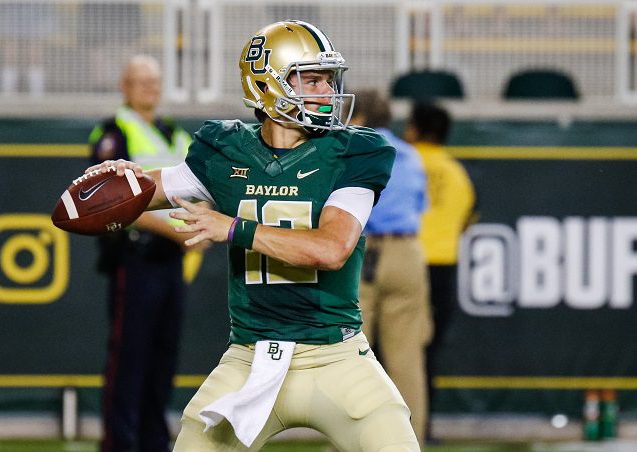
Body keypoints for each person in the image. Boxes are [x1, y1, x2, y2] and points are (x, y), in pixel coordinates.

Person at [86, 20, 420, 452]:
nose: (327, 92)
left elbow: (331, 248)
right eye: (312, 79)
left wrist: (232, 227)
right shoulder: (225, 148)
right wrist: (119, 185)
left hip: (335, 355)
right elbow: (158, 187)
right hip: (250, 356)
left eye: (329, 79)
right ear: (268, 85)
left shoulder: (353, 152)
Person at [88, 54, 194, 452]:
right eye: (142, 81)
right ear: (125, 86)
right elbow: (109, 204)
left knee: (162, 363)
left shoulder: (174, 133)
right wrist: (173, 230)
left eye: (155, 81)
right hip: (136, 260)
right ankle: (118, 445)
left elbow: (199, 190)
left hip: (172, 263)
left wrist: (199, 226)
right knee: (128, 362)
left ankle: (154, 445)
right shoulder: (113, 133)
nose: (151, 88)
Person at [349, 89, 432, 443]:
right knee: (407, 361)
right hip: (407, 253)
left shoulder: (350, 149)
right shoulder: (411, 155)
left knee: (348, 356)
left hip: (360, 251)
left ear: (361, 117)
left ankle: (347, 444)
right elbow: (420, 205)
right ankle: (408, 443)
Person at [403, 101, 475, 442]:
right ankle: (423, 426)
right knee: (426, 352)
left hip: (407, 261)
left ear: (415, 129)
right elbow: (467, 218)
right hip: (443, 268)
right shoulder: (457, 173)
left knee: (393, 351)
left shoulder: (403, 162)